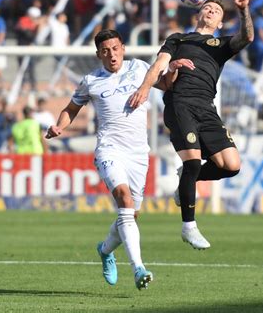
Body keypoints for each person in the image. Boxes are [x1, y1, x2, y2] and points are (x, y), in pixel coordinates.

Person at [45, 29, 193, 290]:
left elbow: (167, 85)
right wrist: (60, 126)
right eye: (105, 50)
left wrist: (173, 69)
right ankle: (138, 269)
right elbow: (71, 108)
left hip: (138, 153)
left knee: (131, 214)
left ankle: (104, 250)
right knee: (124, 199)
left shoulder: (139, 68)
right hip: (109, 149)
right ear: (98, 54)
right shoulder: (91, 80)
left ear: (122, 48)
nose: (111, 54)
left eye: (115, 48)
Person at [128, 0, 254, 250]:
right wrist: (149, 84)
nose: (210, 10)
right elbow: (159, 70)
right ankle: (189, 227)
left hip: (207, 108)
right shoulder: (178, 39)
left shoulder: (221, 45)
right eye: (207, 7)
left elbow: (247, 38)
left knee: (231, 165)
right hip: (180, 104)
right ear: (198, 12)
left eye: (217, 10)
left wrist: (243, 10)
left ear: (220, 22)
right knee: (193, 163)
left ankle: (187, 179)